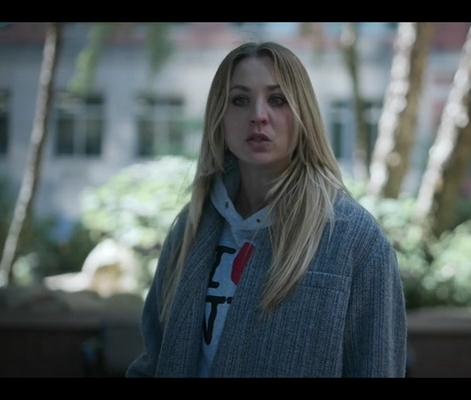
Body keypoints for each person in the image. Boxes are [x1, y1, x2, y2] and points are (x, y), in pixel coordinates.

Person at [125, 41, 407, 377]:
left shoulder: (354, 239)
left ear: (303, 114)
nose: (258, 115)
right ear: (219, 116)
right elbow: (155, 359)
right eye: (240, 100)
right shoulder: (192, 227)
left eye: (277, 100)